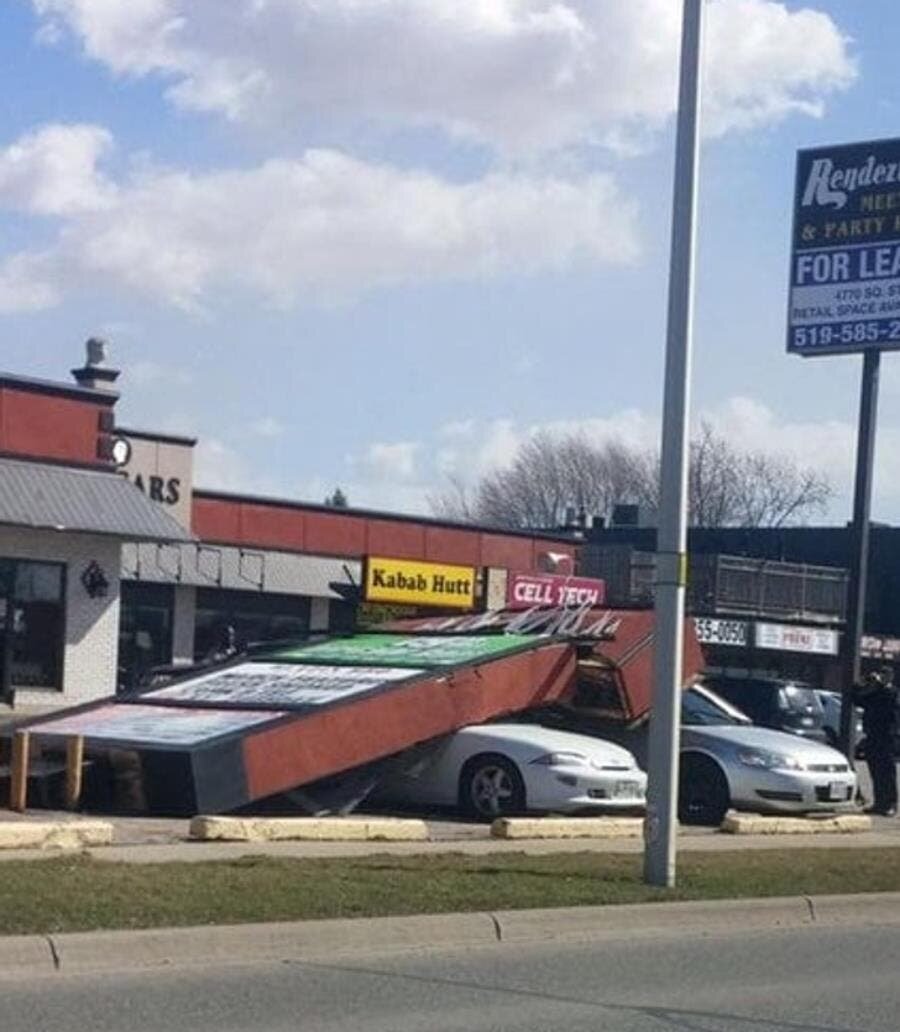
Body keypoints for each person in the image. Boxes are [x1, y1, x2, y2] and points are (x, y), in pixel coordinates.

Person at [853, 666, 898, 817]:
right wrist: (862, 683)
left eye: (886, 674)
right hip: (872, 736)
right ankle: (879, 803)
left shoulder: (893, 692)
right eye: (881, 674)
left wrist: (877, 685)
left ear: (891, 677)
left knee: (887, 773)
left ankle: (891, 804)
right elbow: (858, 700)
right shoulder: (875, 692)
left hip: (887, 737)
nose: (882, 677)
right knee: (875, 771)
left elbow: (889, 699)